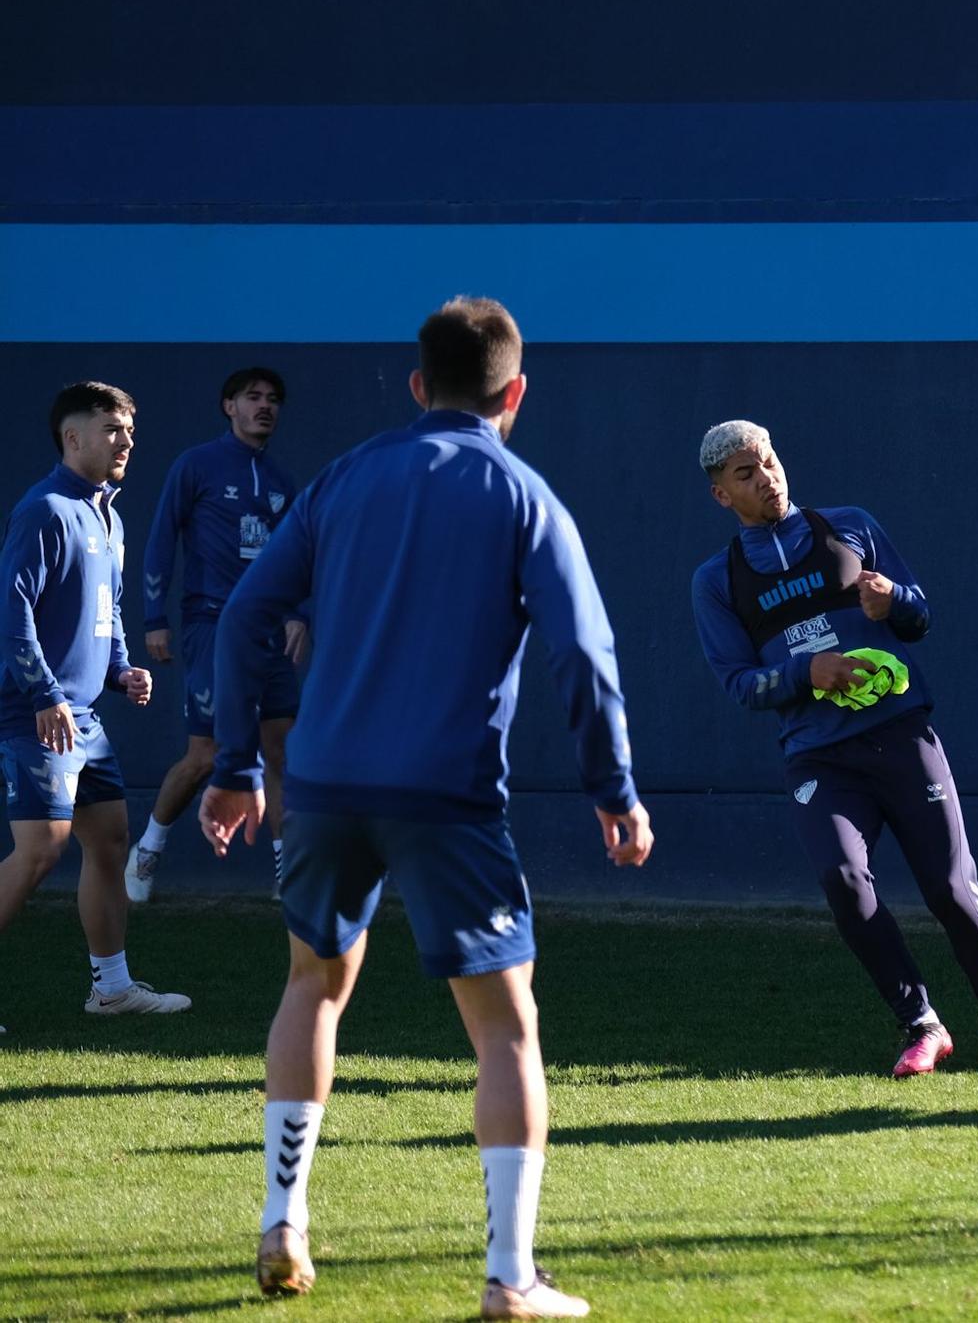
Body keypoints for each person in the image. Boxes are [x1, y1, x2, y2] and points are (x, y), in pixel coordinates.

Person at [198, 298, 653, 1317]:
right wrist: (612, 788)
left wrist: (236, 761)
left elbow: (242, 617)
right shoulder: (523, 493)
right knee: (503, 1030)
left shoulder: (344, 477)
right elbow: (584, 651)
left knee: (312, 986)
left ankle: (282, 1221)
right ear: (515, 394)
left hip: (319, 788)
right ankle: (509, 1278)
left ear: (417, 385)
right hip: (445, 797)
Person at [690, 420, 978, 1078]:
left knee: (951, 889)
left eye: (768, 460)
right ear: (721, 496)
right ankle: (922, 1025)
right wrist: (804, 674)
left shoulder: (851, 526)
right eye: (745, 473)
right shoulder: (717, 581)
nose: (766, 477)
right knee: (844, 880)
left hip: (902, 735)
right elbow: (737, 682)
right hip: (820, 759)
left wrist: (893, 601)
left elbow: (920, 615)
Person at [0, 382, 188, 1031]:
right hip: (35, 712)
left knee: (109, 840)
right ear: (72, 437)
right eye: (113, 429)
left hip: (84, 718)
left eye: (130, 430)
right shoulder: (45, 509)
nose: (127, 441)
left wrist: (121, 669)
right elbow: (13, 610)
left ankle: (111, 988)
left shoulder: (110, 515)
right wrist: (46, 694)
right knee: (40, 850)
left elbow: (104, 611)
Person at [128, 368, 306, 901]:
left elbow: (293, 559)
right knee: (205, 755)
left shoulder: (280, 482)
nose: (264, 407)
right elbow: (161, 539)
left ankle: (288, 875)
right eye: (252, 398)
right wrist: (154, 617)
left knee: (283, 752)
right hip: (211, 624)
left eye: (272, 399)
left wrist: (297, 611)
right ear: (229, 406)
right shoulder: (197, 466)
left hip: (270, 632)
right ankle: (148, 852)